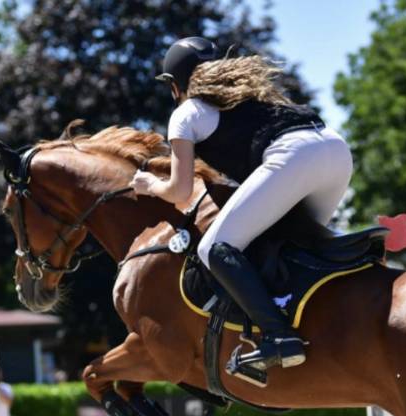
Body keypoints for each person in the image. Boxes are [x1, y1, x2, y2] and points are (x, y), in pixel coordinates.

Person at [131, 36, 354, 373]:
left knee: (213, 247)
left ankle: (280, 336)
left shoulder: (186, 112)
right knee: (296, 244)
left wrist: (150, 185)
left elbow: (179, 190)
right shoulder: (252, 98)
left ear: (175, 85)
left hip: (295, 156)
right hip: (335, 150)